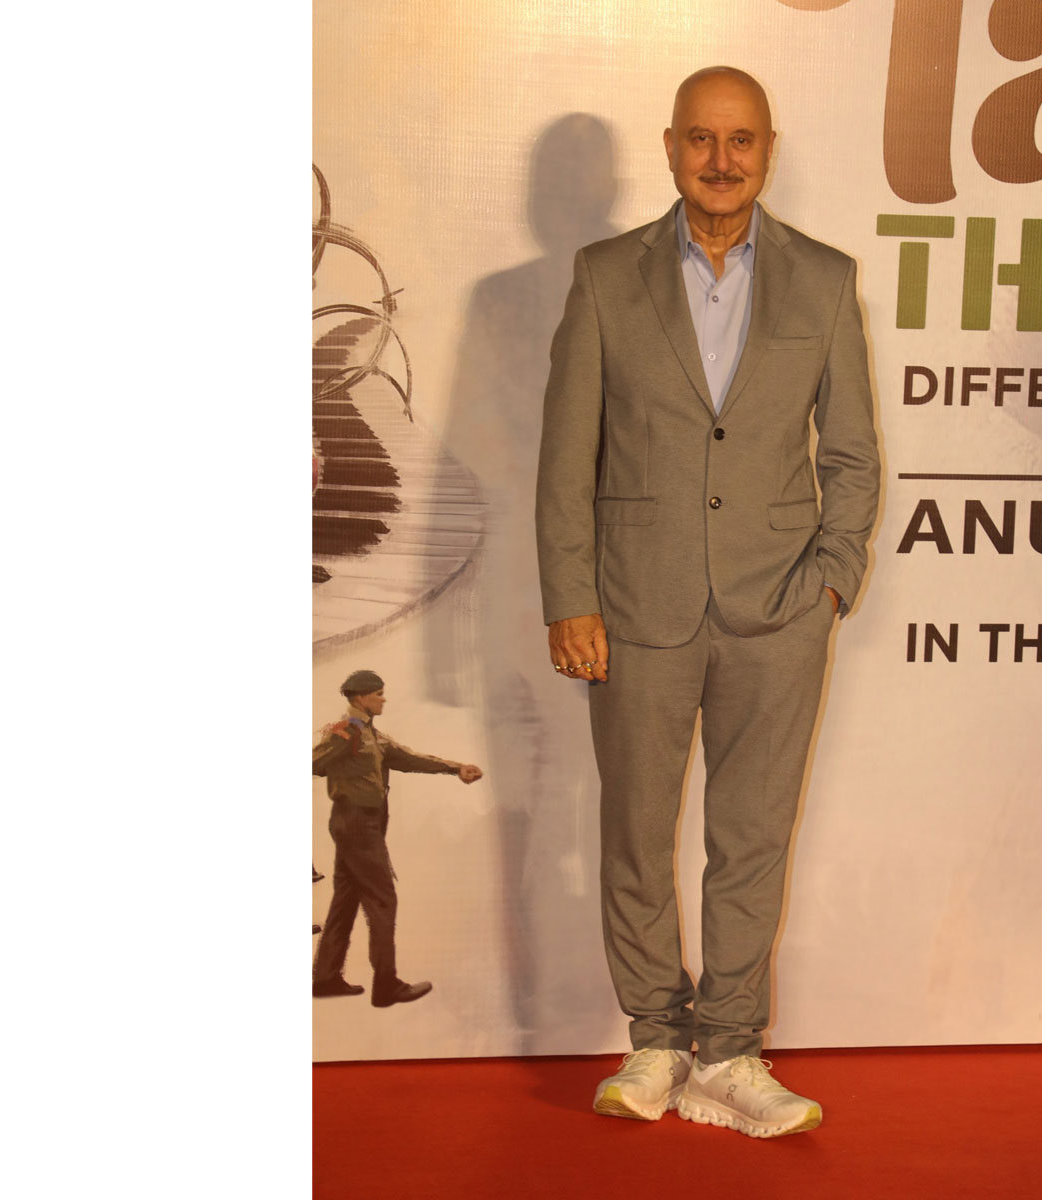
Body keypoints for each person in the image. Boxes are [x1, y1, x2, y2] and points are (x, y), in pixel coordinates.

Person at [536, 66, 879, 1138]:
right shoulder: (605, 276)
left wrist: (832, 578)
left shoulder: (825, 279)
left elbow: (853, 453)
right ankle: (656, 1038)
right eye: (701, 138)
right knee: (636, 833)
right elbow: (566, 455)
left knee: (753, 837)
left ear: (767, 150)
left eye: (740, 140)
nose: (720, 160)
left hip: (780, 610)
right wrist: (570, 596)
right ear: (671, 146)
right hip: (634, 605)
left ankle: (730, 1049)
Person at [311, 669, 484, 1007]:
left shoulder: (371, 734)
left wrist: (454, 767)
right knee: (382, 901)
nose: (383, 699)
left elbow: (408, 758)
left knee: (345, 900)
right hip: (356, 824)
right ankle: (386, 985)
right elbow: (314, 762)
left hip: (363, 825)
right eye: (378, 694)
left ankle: (325, 978)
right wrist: (341, 759)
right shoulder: (347, 731)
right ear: (361, 697)